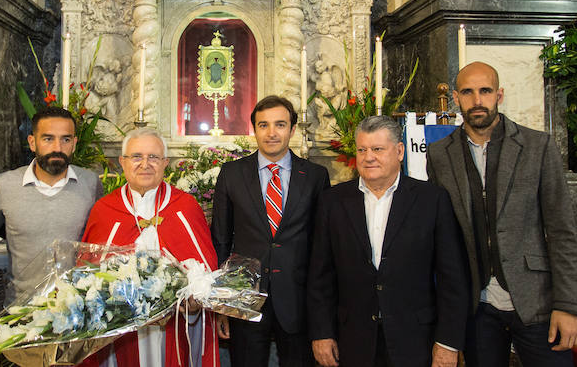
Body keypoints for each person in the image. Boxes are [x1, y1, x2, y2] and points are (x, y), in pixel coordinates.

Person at [426, 62, 577, 367]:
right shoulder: (439, 154)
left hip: (537, 303)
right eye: (468, 93)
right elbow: (444, 240)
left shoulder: (538, 147)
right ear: (456, 98)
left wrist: (568, 305)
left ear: (499, 95)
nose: (477, 100)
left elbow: (562, 231)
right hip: (477, 308)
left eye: (485, 91)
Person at [308, 116, 469, 367]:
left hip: (415, 341)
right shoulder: (333, 202)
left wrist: (448, 343)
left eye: (378, 149)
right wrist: (321, 333)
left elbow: (452, 278)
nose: (368, 157)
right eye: (362, 150)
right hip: (352, 341)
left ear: (400, 151)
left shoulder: (432, 200)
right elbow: (320, 276)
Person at [79, 128, 219, 367]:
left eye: (153, 157)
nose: (145, 164)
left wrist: (197, 295)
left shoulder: (185, 206)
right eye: (136, 157)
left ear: (166, 163)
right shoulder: (104, 210)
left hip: (175, 329)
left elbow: (205, 266)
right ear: (122, 162)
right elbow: (85, 275)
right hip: (119, 334)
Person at [211, 95, 330, 367]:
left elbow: (322, 246)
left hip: (299, 302)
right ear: (254, 129)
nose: (271, 132)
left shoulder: (315, 176)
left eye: (279, 124)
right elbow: (220, 240)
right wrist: (222, 306)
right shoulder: (231, 174)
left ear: (292, 129)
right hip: (246, 302)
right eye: (263, 125)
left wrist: (322, 309)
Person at [0, 106, 102, 302]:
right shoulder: (4, 186)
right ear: (32, 142)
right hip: (20, 311)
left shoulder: (91, 184)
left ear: (74, 143)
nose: (57, 148)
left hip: (76, 308)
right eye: (48, 139)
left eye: (65, 139)